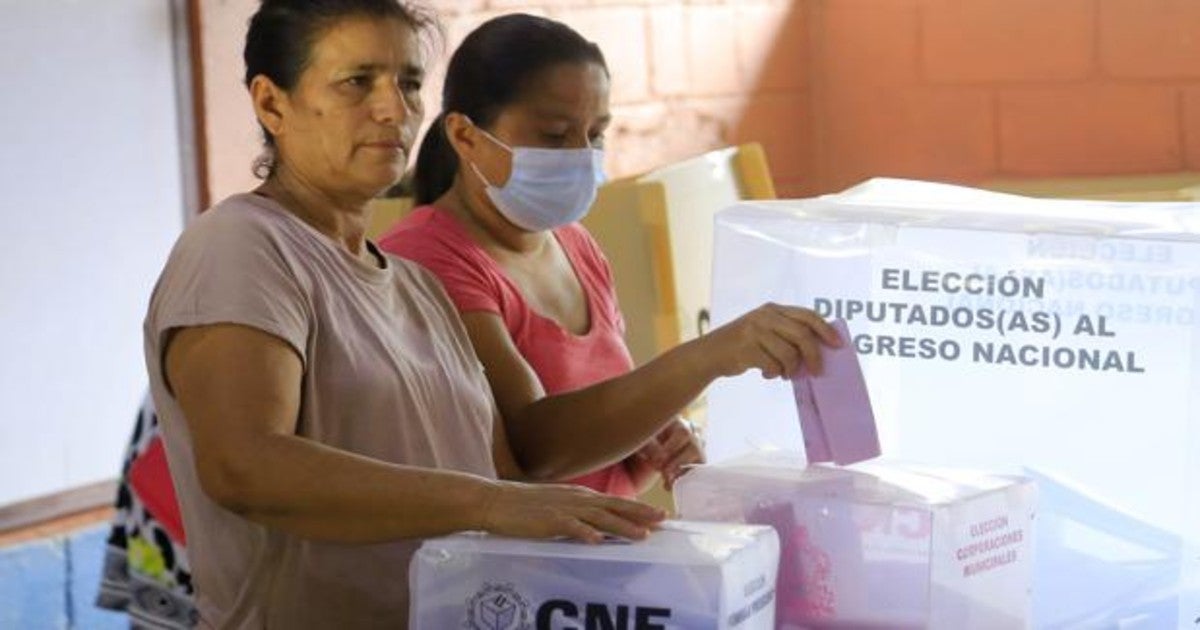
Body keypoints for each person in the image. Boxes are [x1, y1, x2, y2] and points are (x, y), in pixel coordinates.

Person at [143, 2, 669, 627]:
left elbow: (510, 475)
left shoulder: (415, 287)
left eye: (409, 83)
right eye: (356, 82)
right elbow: (246, 467)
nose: (394, 109)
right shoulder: (242, 247)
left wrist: (628, 458)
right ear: (271, 104)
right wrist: (486, 503)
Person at [379, 14, 840, 498]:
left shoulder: (575, 245)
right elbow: (536, 449)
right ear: (466, 136)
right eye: (555, 135)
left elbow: (601, 421)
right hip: (513, 569)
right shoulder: (426, 260)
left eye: (596, 134)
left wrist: (658, 435)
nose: (581, 154)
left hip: (603, 555)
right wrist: (711, 355)